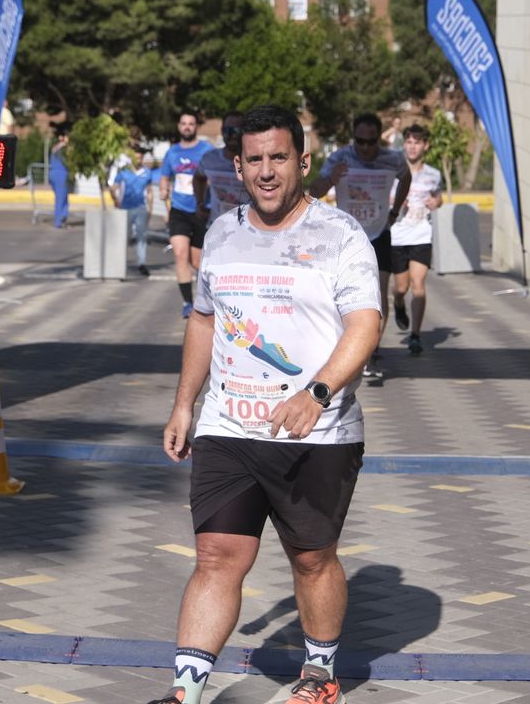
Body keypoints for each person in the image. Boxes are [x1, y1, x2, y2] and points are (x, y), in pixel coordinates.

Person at [155, 104, 379, 704]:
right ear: (237, 166)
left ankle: (320, 676)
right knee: (216, 554)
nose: (266, 171)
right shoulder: (221, 233)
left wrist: (318, 392)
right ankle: (184, 694)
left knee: (311, 560)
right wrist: (184, 403)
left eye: (279, 157)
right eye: (254, 159)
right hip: (228, 425)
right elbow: (204, 321)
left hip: (315, 433)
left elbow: (365, 325)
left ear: (302, 161)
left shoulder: (339, 235)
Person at [308, 113, 410, 379]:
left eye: (371, 141)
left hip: (379, 233)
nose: (365, 148)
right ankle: (345, 343)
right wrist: (331, 178)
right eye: (360, 141)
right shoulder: (340, 157)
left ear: (379, 139)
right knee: (339, 293)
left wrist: (395, 212)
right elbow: (313, 192)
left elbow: (406, 178)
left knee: (380, 291)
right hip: (347, 235)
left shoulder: (392, 159)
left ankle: (371, 352)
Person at [388, 124, 443, 356]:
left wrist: (436, 202)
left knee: (418, 285)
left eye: (417, 142)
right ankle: (399, 303)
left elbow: (438, 196)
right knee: (401, 287)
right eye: (409, 142)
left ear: (425, 145)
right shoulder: (393, 171)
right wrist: (396, 202)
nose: (412, 147)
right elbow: (383, 196)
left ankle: (415, 336)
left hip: (421, 234)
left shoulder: (433, 174)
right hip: (397, 235)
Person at [160, 111, 214, 318]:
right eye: (184, 123)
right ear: (178, 126)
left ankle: (206, 300)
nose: (187, 127)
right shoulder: (172, 152)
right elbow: (165, 177)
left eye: (191, 123)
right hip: (179, 210)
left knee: (197, 262)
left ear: (196, 127)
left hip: (201, 210)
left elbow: (214, 176)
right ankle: (187, 303)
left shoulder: (206, 150)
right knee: (179, 254)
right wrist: (163, 190)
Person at [192, 111, 250, 229]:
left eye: (238, 130)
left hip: (247, 230)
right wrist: (200, 203)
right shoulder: (210, 159)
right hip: (216, 229)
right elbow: (198, 177)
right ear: (222, 131)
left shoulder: (255, 160)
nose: (233, 135)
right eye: (228, 130)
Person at [109, 150, 156, 276]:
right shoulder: (124, 172)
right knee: (124, 237)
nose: (138, 160)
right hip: (126, 208)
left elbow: (149, 191)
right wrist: (115, 201)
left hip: (141, 208)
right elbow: (114, 187)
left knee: (142, 237)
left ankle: (141, 263)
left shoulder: (147, 173)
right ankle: (118, 263)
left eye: (140, 158)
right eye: (135, 158)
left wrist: (150, 209)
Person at [48, 130, 71, 229]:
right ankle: (59, 222)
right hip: (61, 174)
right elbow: (67, 162)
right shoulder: (64, 148)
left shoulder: (55, 147)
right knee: (61, 199)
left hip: (53, 173)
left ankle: (62, 220)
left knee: (62, 198)